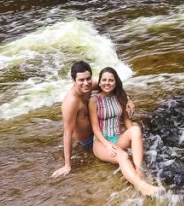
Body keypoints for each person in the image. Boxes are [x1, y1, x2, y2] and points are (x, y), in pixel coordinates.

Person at [52, 60, 133, 179]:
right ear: (73, 80)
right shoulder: (71, 102)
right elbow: (67, 133)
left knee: (134, 126)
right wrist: (67, 165)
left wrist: (129, 99)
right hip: (89, 141)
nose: (86, 83)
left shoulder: (89, 85)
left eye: (88, 78)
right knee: (123, 155)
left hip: (103, 131)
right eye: (81, 80)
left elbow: (114, 86)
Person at [88, 67, 160, 196]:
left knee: (135, 129)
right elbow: (95, 128)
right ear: (99, 83)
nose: (107, 83)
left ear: (115, 82)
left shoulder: (120, 97)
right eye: (104, 80)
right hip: (101, 143)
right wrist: (107, 144)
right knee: (123, 156)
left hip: (117, 138)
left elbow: (126, 121)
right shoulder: (94, 101)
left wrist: (133, 137)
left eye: (111, 80)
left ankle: (139, 171)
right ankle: (142, 186)